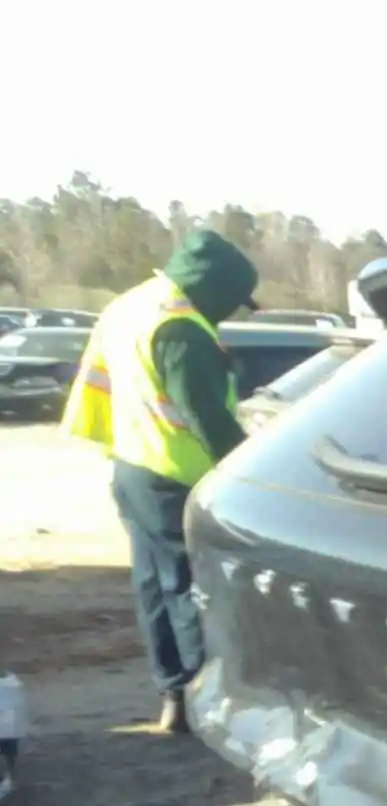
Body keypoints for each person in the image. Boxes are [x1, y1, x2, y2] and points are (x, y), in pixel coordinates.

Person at [63, 230, 259, 735]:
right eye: (233, 302)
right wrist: (249, 471)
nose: (232, 313)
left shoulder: (129, 306)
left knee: (152, 586)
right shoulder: (180, 329)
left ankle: (172, 693)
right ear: (215, 287)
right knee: (190, 591)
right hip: (179, 477)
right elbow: (205, 418)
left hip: (131, 466)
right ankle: (206, 702)